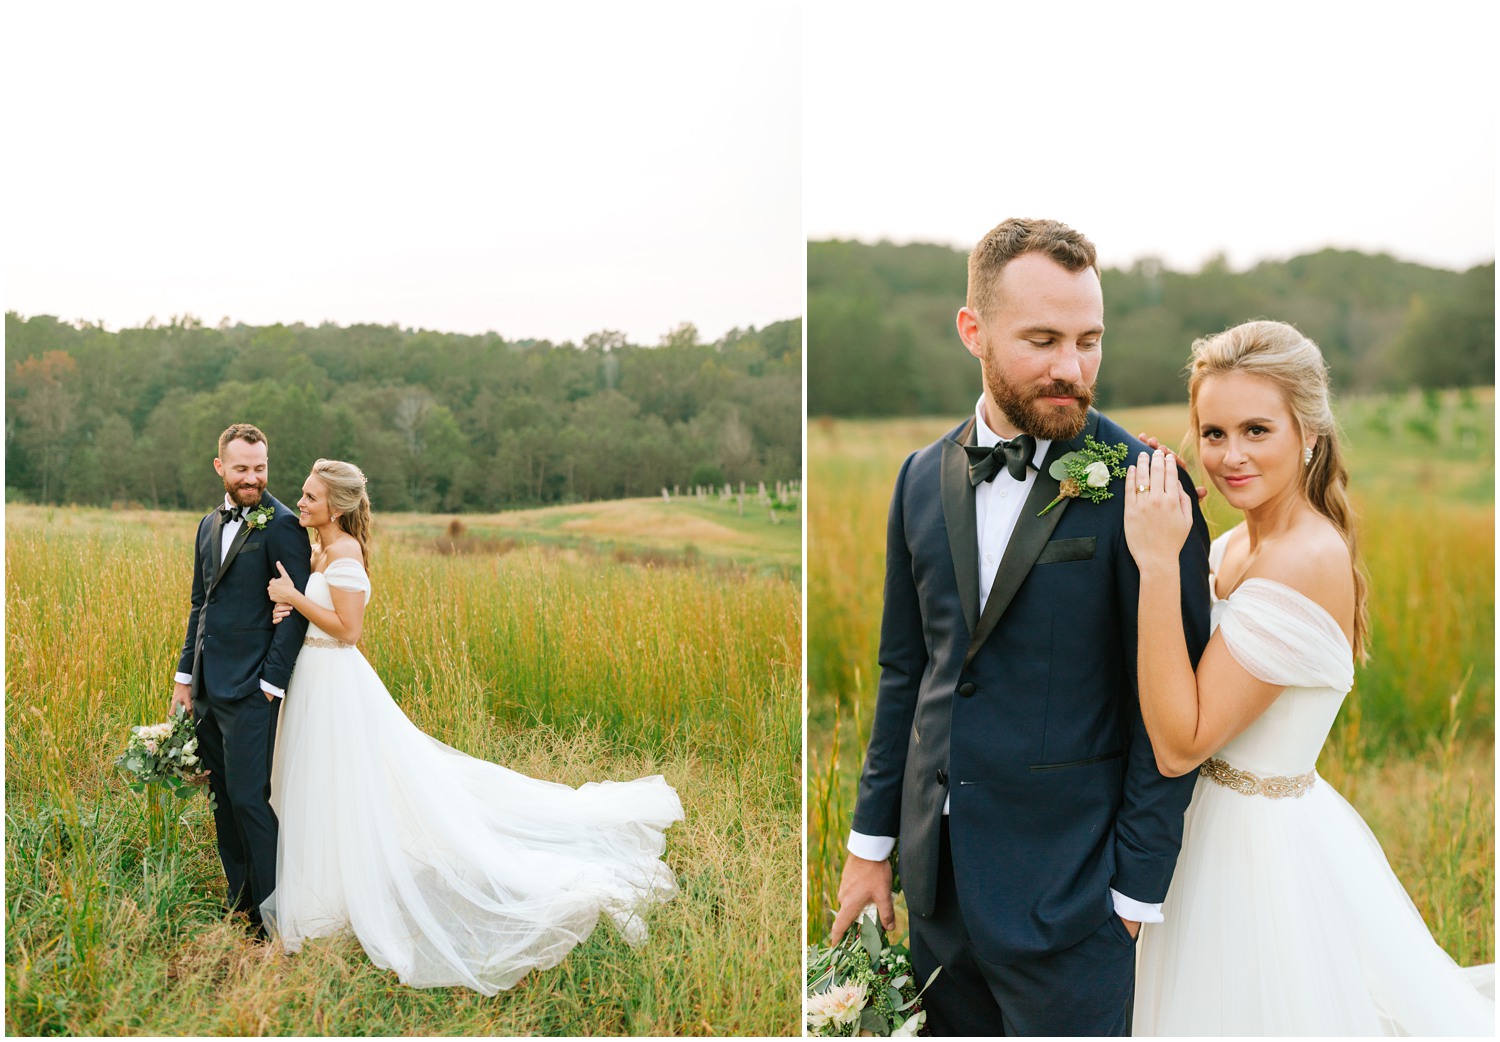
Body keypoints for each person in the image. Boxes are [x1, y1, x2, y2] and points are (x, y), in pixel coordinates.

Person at [829, 218, 1213, 1035]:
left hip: (1074, 907)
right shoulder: (918, 479)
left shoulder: (1148, 486)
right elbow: (912, 674)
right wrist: (873, 847)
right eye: (1041, 339)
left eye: (1088, 340)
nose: (1071, 368)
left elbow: (1171, 706)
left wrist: (1132, 897)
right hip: (937, 899)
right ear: (974, 331)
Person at [1122, 319, 1494, 1034]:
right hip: (1190, 831)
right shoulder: (1232, 542)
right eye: (1213, 432)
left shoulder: (1303, 558)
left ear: (1310, 434)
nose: (1230, 457)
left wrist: (1158, 563)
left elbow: (1180, 742)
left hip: (1252, 856)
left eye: (1258, 431)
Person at [258, 458, 683, 994]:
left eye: (311, 497)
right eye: (303, 493)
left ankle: (337, 896)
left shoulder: (344, 555)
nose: (301, 502)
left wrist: (295, 600)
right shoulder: (322, 549)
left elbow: (350, 630)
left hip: (334, 680)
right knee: (322, 785)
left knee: (341, 784)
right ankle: (325, 890)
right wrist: (291, 611)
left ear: (337, 507)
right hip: (312, 679)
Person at [171, 423, 314, 936]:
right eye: (242, 469)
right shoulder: (208, 525)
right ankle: (242, 907)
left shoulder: (284, 525)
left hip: (254, 689)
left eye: (260, 468)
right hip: (208, 687)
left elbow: (296, 611)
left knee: (252, 799)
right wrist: (185, 679)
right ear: (220, 468)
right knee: (223, 797)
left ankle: (279, 915)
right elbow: (199, 604)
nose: (252, 478)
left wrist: (270, 684)